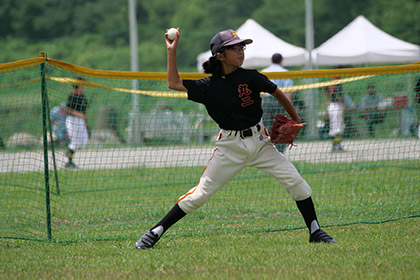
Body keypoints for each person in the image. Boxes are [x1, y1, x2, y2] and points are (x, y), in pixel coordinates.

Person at [134, 28, 336, 249]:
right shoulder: (207, 86)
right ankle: (156, 231)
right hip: (229, 147)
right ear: (220, 55)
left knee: (297, 183)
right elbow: (173, 83)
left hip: (261, 143)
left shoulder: (250, 76)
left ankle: (315, 230)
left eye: (242, 47)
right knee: (198, 196)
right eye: (235, 47)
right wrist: (171, 51)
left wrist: (295, 119)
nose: (241, 51)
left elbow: (276, 91)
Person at [261, 53, 294, 153]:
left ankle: (267, 149)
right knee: (281, 126)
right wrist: (290, 108)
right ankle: (279, 151)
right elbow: (288, 91)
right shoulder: (285, 72)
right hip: (280, 101)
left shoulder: (264, 72)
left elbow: (260, 91)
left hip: (267, 101)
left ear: (271, 60)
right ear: (281, 61)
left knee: (266, 126)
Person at [64, 77, 89, 169]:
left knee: (84, 142)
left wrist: (85, 121)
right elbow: (66, 109)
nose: (84, 86)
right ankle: (68, 162)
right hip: (72, 119)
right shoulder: (72, 95)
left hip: (80, 120)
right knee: (75, 142)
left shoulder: (82, 96)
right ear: (78, 85)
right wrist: (78, 114)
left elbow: (84, 112)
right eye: (82, 84)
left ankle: (69, 152)